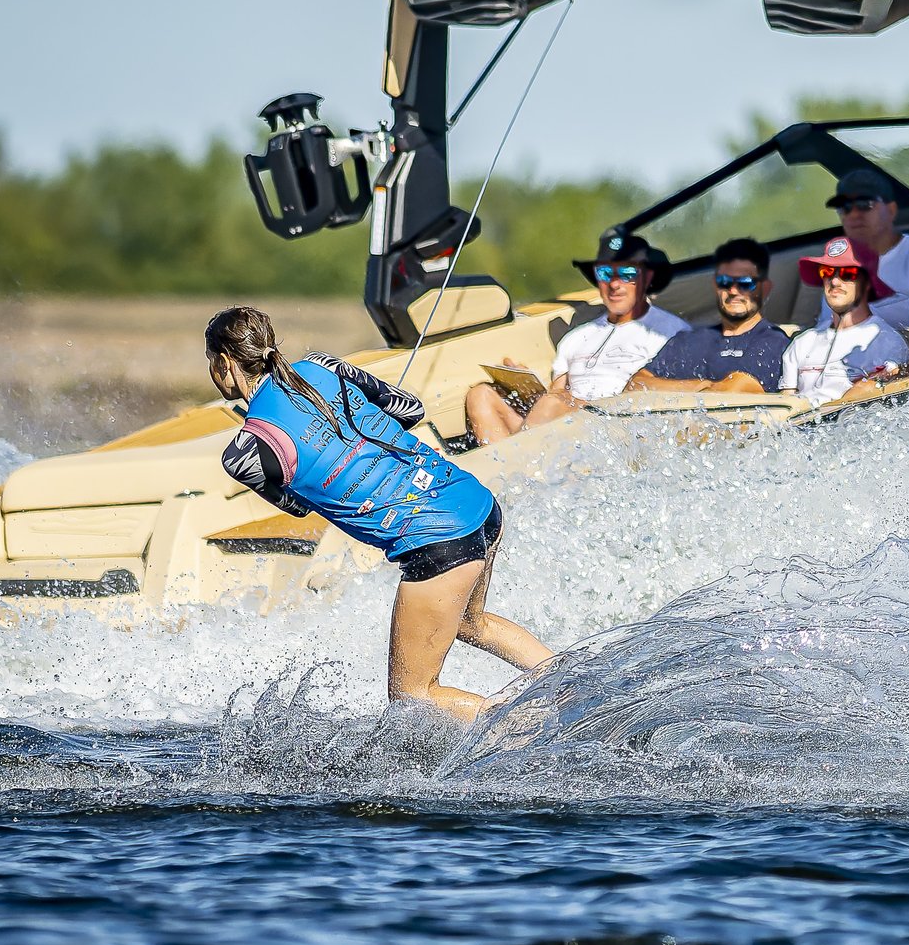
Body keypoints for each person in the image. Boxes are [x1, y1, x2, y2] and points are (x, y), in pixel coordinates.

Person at [207, 306, 553, 723]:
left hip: (436, 542)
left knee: (413, 696)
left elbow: (298, 507)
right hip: (475, 504)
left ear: (225, 363)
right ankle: (572, 684)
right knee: (470, 623)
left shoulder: (243, 454)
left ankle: (536, 728)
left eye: (211, 362)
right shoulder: (322, 365)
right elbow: (409, 410)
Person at [463, 233, 689, 443]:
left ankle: (509, 470)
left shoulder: (670, 332)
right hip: (565, 424)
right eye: (605, 274)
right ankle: (503, 473)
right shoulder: (577, 336)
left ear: (648, 277)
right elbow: (557, 393)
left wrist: (556, 403)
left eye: (627, 274)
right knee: (480, 395)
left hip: (620, 427)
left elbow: (671, 392)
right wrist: (525, 386)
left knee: (550, 406)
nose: (615, 284)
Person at [627, 237, 789, 394]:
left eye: (746, 283)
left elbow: (732, 393)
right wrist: (705, 386)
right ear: (715, 284)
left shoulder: (774, 341)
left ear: (765, 288)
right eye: (724, 281)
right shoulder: (687, 339)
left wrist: (668, 388)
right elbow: (636, 385)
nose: (733, 290)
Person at [780, 236, 909, 405]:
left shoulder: (887, 341)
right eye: (826, 272)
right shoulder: (801, 343)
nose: (834, 281)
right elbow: (785, 406)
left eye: (847, 273)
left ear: (867, 283)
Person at [825, 168, 909, 328]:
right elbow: (825, 326)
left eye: (864, 204)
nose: (853, 214)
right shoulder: (835, 264)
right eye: (844, 207)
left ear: (891, 210)